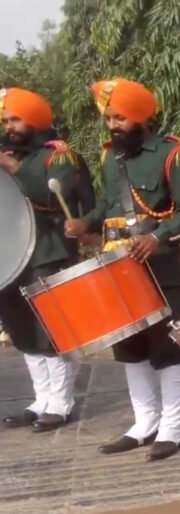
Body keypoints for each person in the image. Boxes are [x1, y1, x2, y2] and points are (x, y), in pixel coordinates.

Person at [64, 78, 180, 461]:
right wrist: (85, 223)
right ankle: (144, 423)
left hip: (158, 265)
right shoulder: (112, 157)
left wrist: (159, 237)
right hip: (117, 262)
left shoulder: (173, 154)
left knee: (167, 346)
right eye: (109, 117)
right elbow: (108, 203)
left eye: (120, 117)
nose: (113, 125)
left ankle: (173, 429)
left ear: (141, 116)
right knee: (129, 346)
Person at [0, 87, 94, 432]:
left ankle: (62, 402)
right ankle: (41, 398)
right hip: (10, 257)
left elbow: (52, 196)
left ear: (36, 118)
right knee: (21, 329)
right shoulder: (8, 151)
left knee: (51, 331)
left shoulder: (59, 156)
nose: (9, 126)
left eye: (15, 119)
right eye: (5, 120)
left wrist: (11, 165)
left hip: (48, 251)